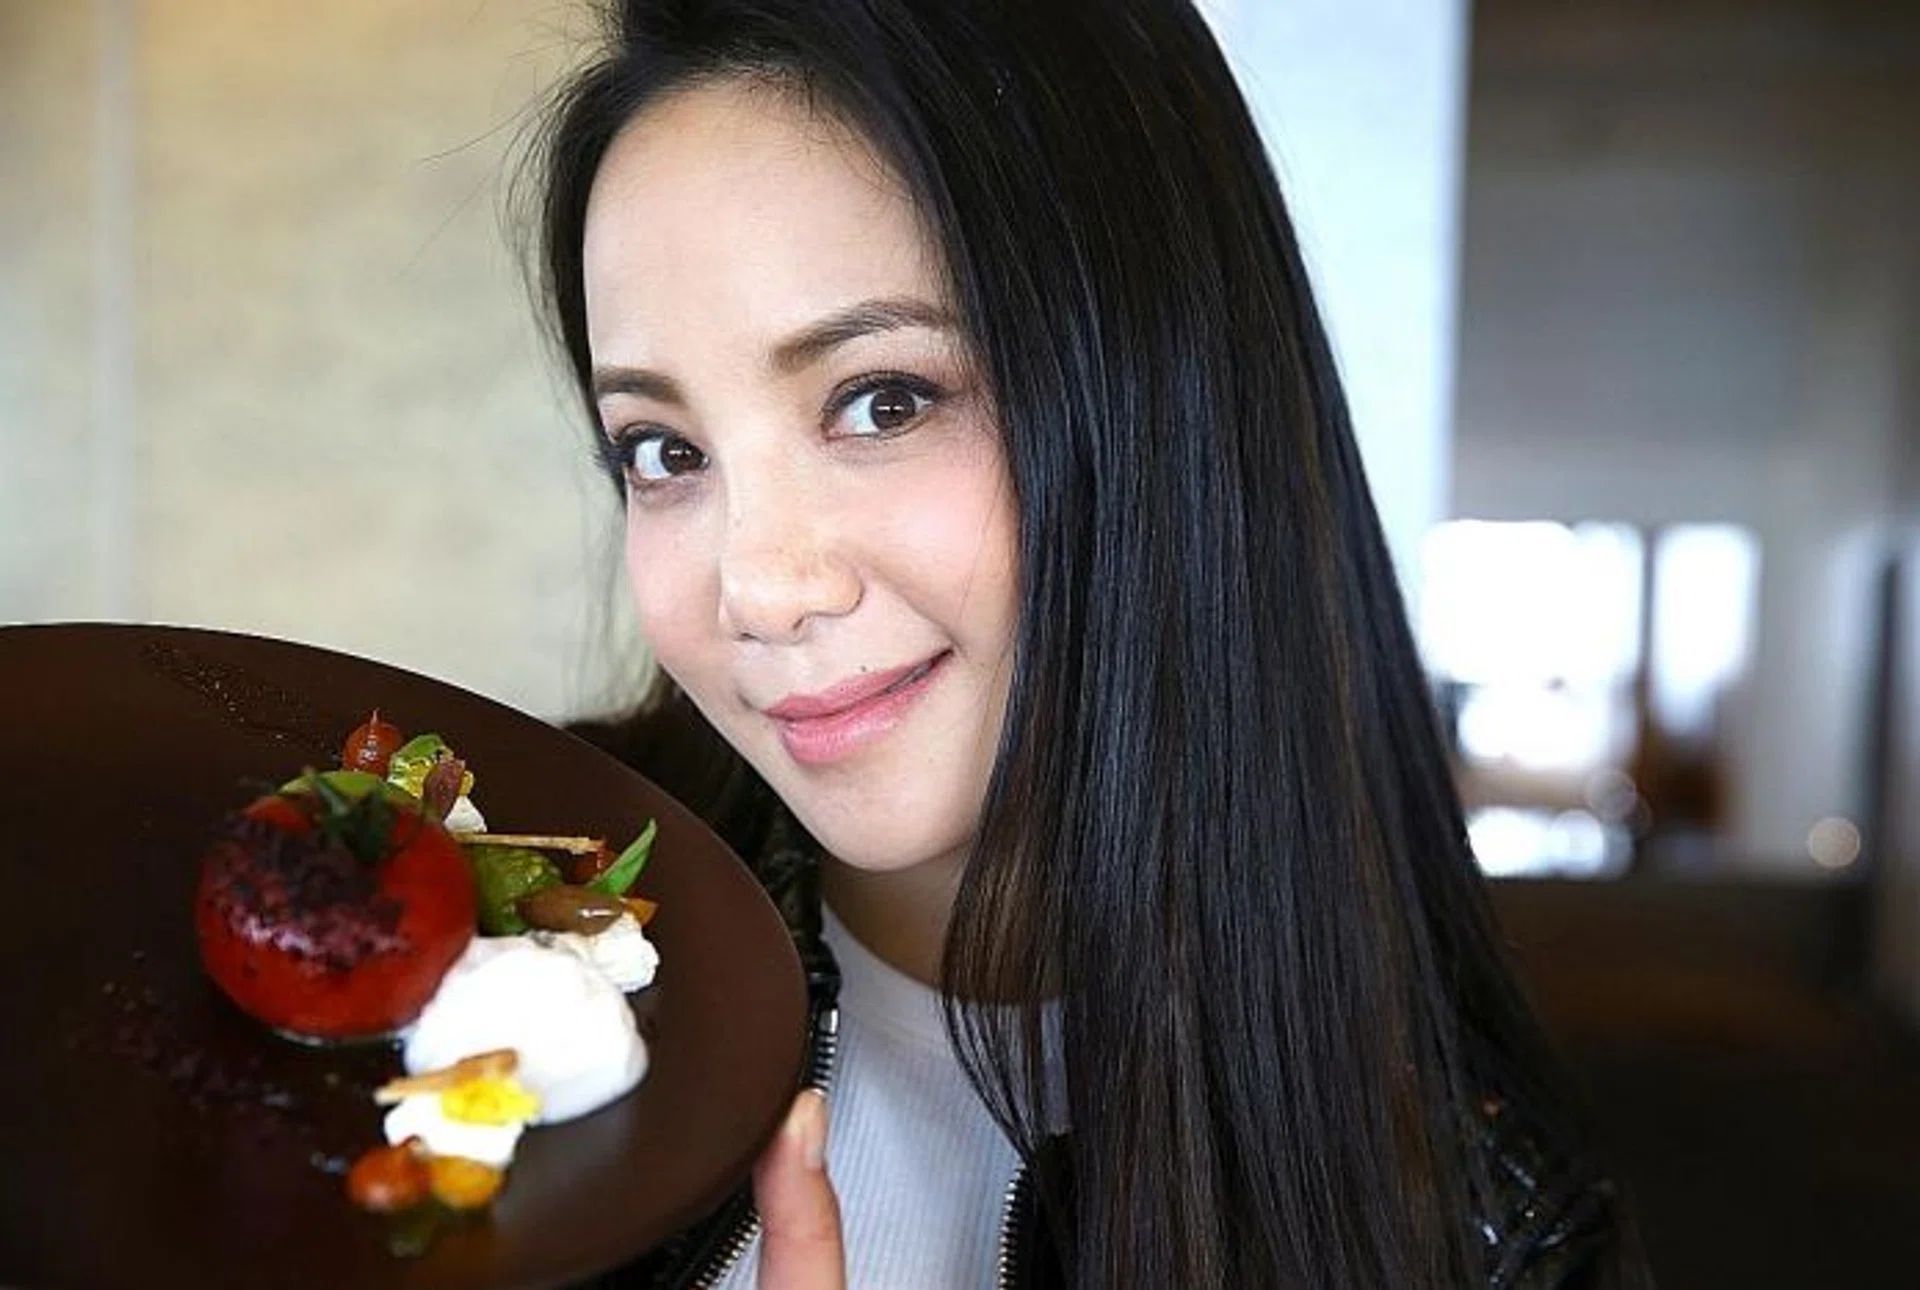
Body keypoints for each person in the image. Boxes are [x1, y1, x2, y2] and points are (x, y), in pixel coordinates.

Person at [528, 1, 1649, 1286]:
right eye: (665, 453)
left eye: (883, 400)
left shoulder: (1489, 1223)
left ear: (1163, 397)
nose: (763, 588)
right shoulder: (472, 941)